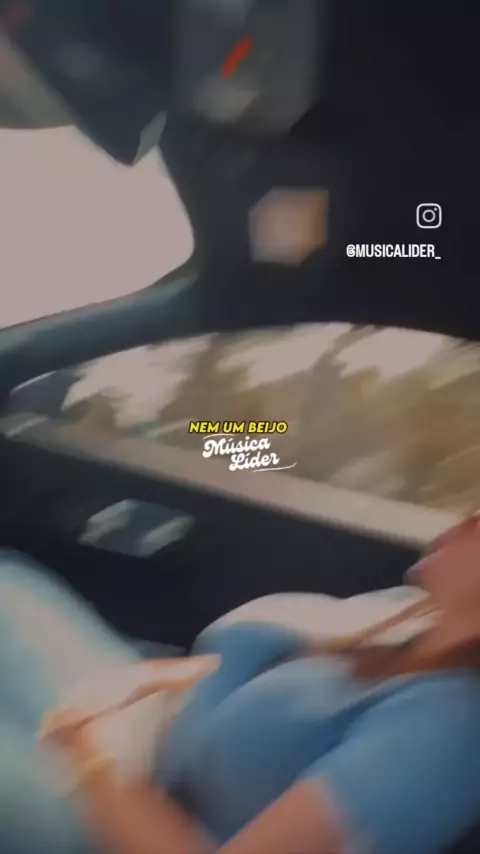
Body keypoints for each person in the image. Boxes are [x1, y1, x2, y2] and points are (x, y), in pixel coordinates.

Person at [1, 519, 480, 854]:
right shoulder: (412, 613)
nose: (466, 521)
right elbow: (260, 669)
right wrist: (150, 682)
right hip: (136, 728)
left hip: (116, 824)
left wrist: (89, 758)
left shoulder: (444, 734)